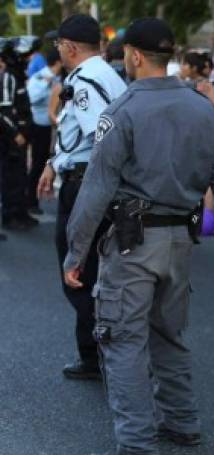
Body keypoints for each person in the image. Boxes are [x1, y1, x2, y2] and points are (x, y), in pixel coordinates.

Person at [62, 17, 214, 455]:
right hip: (179, 241)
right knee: (167, 333)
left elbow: (96, 189)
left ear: (132, 56)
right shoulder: (202, 108)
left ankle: (136, 448)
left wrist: (76, 252)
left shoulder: (123, 111)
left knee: (122, 339)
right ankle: (182, 421)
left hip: (134, 243)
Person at [36, 15, 127, 381]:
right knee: (91, 269)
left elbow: (100, 138)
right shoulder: (103, 73)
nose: (58, 50)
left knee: (78, 271)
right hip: (90, 180)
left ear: (70, 46)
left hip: (88, 184)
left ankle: (99, 354)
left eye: (59, 45)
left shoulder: (87, 81)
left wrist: (87, 188)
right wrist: (53, 162)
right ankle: (102, 352)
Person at [0, 37, 36, 233]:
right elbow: (4, 112)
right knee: (11, 177)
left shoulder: (18, 75)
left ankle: (21, 212)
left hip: (21, 136)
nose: (28, 59)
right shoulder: (8, 78)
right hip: (11, 139)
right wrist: (15, 134)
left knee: (21, 175)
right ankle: (10, 215)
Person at [27, 48, 63, 215]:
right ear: (58, 62)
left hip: (51, 126)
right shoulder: (42, 76)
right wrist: (47, 84)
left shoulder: (58, 77)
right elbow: (32, 98)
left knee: (46, 161)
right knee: (38, 163)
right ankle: (31, 201)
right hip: (39, 124)